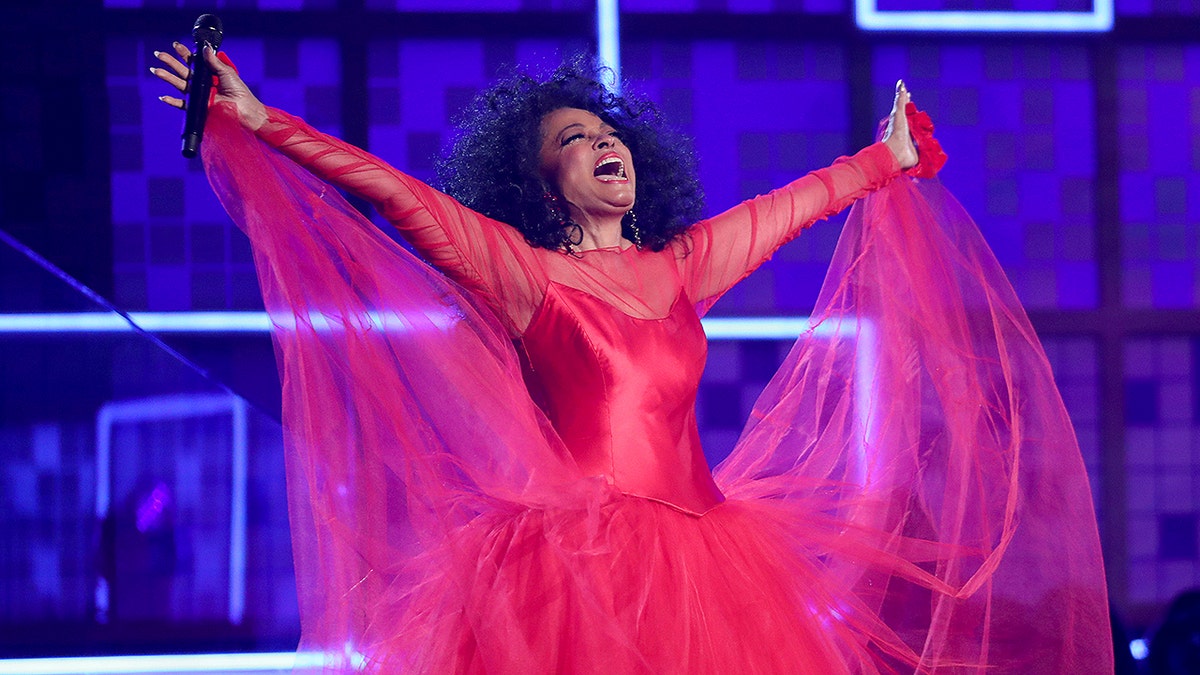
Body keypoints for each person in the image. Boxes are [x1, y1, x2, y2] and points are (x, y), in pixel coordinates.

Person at [153, 43, 1113, 673]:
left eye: (610, 133)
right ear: (541, 183)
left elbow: (793, 207)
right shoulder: (522, 273)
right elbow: (397, 194)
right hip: (572, 570)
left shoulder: (681, 267)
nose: (604, 143)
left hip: (715, 557)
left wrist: (882, 160)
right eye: (575, 140)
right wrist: (269, 124)